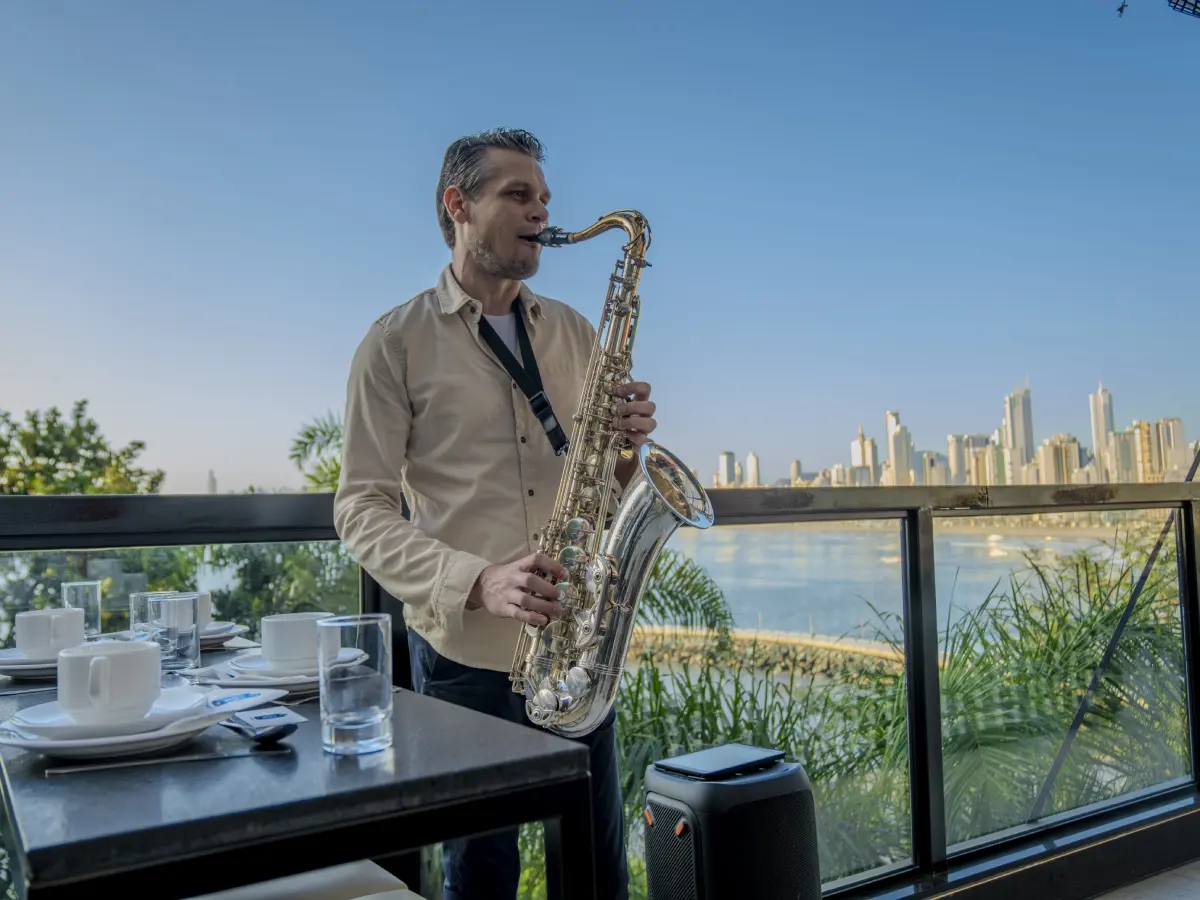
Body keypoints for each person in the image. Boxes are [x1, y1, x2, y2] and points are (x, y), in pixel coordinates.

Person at [333, 127, 658, 900]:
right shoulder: (394, 343)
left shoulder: (578, 333)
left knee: (596, 869)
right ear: (459, 206)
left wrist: (625, 451)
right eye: (518, 194)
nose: (542, 211)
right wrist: (477, 580)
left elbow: (602, 494)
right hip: (464, 658)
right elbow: (359, 508)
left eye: (544, 197)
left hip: (576, 648)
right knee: (482, 878)